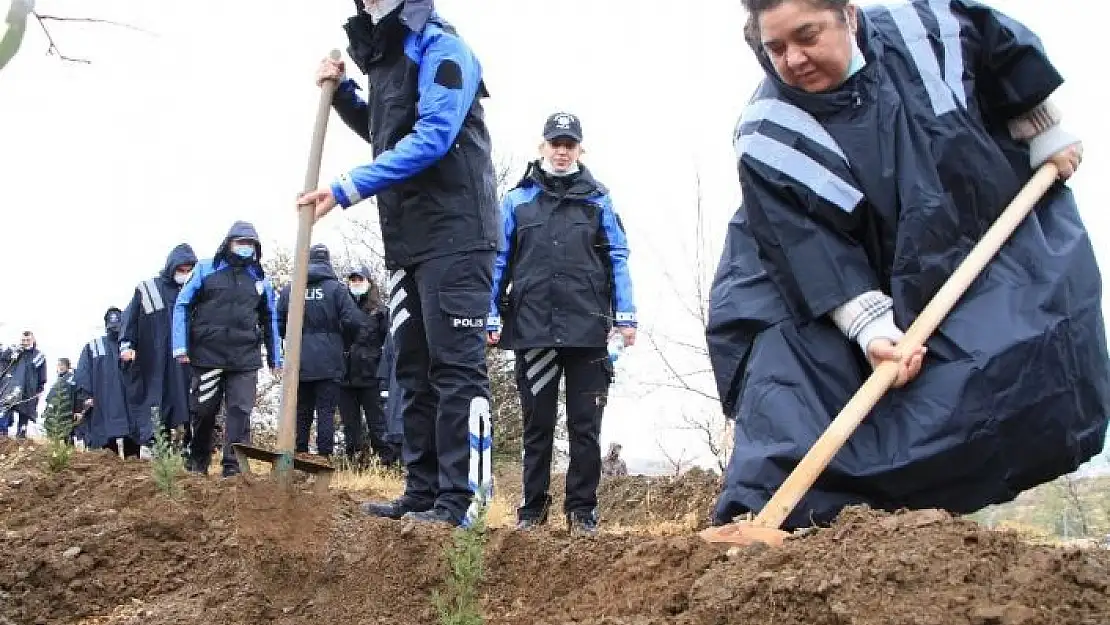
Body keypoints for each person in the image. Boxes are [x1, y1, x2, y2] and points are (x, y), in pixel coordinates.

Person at [706, 0, 1108, 530]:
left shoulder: (927, 28)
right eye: (775, 47)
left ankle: (912, 530)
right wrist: (868, 325)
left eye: (807, 36)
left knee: (1027, 341)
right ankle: (775, 525)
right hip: (803, 278)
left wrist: (1042, 127)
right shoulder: (768, 132)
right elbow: (806, 246)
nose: (794, 59)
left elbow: (1003, 56)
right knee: (788, 381)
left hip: (965, 227)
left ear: (847, 15)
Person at [298, 0, 498, 527]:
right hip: (407, 238)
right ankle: (424, 490)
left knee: (456, 369)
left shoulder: (442, 47)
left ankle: (464, 500)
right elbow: (385, 133)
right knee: (412, 368)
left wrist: (346, 188)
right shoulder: (387, 59)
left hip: (458, 233)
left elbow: (433, 136)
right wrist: (343, 95)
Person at [487, 112, 637, 535]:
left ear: (579, 150)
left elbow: (618, 258)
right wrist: (490, 312)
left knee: (585, 428)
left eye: (569, 144)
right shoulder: (516, 201)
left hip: (589, 332)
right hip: (533, 329)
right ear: (543, 148)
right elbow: (499, 260)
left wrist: (626, 317)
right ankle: (532, 511)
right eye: (555, 143)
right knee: (537, 425)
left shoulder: (599, 201)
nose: (562, 150)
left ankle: (582, 512)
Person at [172, 221, 282, 478]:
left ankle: (233, 468)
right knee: (204, 410)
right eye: (240, 242)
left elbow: (270, 319)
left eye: (250, 244)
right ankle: (198, 463)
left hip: (245, 358)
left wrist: (276, 358)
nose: (245, 247)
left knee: (240, 412)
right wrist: (180, 345)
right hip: (208, 354)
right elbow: (183, 305)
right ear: (229, 242)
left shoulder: (260, 279)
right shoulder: (205, 269)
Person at [277, 244, 366, 460]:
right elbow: (354, 321)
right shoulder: (336, 289)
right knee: (325, 410)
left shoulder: (292, 289)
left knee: (302, 410)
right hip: (329, 359)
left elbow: (279, 322)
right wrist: (341, 341)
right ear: (327, 262)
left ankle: (298, 455)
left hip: (299, 361)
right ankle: (323, 458)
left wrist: (292, 341)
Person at [119, 243, 199, 453]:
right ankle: (153, 448)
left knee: (187, 405)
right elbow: (130, 321)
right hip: (153, 360)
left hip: (185, 362)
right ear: (171, 267)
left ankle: (184, 450)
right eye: (180, 270)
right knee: (155, 405)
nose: (184, 274)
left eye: (189, 270)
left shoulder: (198, 291)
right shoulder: (148, 289)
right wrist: (127, 346)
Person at [338, 266, 398, 465]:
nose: (356, 284)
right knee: (350, 426)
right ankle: (355, 463)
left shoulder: (381, 312)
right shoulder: (340, 309)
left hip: (371, 375)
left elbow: (389, 346)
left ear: (369, 282)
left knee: (378, 424)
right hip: (345, 375)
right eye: (352, 280)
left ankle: (387, 463)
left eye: (359, 280)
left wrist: (384, 377)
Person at [74, 308, 140, 457]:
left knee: (133, 447)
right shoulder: (93, 347)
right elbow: (83, 373)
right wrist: (86, 395)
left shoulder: (131, 345)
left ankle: (132, 471)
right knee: (106, 451)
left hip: (129, 402)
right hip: (103, 403)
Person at [0, 330, 47, 438]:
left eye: (27, 340)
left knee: (25, 413)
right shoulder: (13, 351)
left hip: (29, 389)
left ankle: (21, 435)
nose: (25, 342)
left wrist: (40, 388)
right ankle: (2, 434)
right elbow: (3, 361)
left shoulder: (38, 356)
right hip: (11, 387)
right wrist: (14, 353)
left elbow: (42, 374)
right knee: (5, 409)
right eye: (23, 340)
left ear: (33, 340)